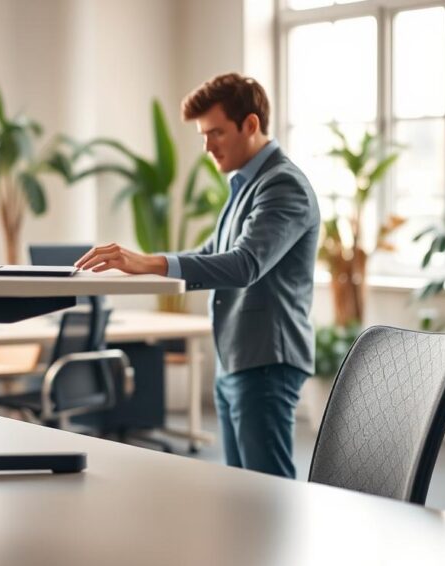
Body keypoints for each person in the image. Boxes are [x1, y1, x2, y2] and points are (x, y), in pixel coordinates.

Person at [75, 73, 319, 479]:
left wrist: (148, 263)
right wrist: (142, 262)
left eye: (216, 132)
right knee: (242, 488)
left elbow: (243, 265)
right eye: (204, 135)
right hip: (237, 357)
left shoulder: (282, 185)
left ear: (251, 125)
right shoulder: (247, 184)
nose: (207, 147)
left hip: (265, 360)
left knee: (270, 491)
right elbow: (210, 253)